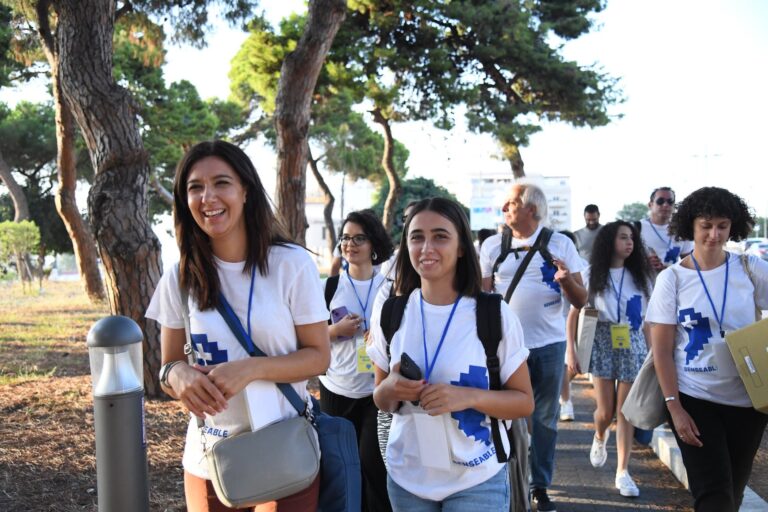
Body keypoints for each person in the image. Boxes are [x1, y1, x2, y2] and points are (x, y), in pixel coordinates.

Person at [146, 140, 331, 512]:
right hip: (211, 457)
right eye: (195, 187)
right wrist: (178, 376)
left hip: (285, 448)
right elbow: (166, 367)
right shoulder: (179, 277)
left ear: (245, 190)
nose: (207, 197)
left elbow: (319, 358)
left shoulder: (290, 265)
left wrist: (252, 369)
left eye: (221, 183)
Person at [368, 197, 534, 511]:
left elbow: (524, 402)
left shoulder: (493, 314)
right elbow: (382, 400)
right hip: (408, 478)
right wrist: (388, 389)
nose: (426, 247)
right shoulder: (391, 313)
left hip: (477, 479)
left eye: (440, 236)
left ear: (460, 247)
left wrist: (467, 397)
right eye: (416, 237)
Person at [645, 186, 768, 512]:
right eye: (706, 225)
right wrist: (674, 407)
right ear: (691, 225)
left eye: (723, 226)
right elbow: (662, 350)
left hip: (747, 401)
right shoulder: (672, 279)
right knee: (714, 497)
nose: (714, 234)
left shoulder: (749, 269)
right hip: (694, 398)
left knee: (733, 491)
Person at [479, 182, 588, 512]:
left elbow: (581, 300)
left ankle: (538, 485)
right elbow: (481, 298)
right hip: (503, 348)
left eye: (511, 203)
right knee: (501, 416)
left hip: (548, 346)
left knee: (543, 420)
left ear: (532, 209)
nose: (505, 209)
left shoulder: (560, 244)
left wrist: (566, 280)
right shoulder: (491, 246)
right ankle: (506, 479)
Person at [566, 221, 654, 497]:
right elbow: (574, 312)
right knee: (605, 411)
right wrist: (572, 350)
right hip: (602, 340)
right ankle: (600, 435)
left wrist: (653, 355)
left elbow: (650, 320)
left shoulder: (642, 275)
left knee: (625, 411)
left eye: (632, 238)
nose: (629, 243)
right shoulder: (592, 273)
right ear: (608, 242)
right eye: (623, 238)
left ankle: (623, 472)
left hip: (633, 343)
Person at [320, 209, 394, 512]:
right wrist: (335, 330)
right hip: (336, 387)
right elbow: (307, 339)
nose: (349, 244)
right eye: (345, 238)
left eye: (358, 238)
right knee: (338, 469)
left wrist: (379, 338)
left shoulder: (388, 286)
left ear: (373, 244)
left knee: (373, 467)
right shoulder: (328, 286)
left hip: (375, 391)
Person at [639, 187, 692, 272]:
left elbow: (689, 264)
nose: (665, 205)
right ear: (650, 205)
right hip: (642, 282)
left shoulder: (682, 230)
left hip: (672, 283)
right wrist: (643, 262)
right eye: (660, 201)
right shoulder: (637, 228)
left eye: (670, 202)